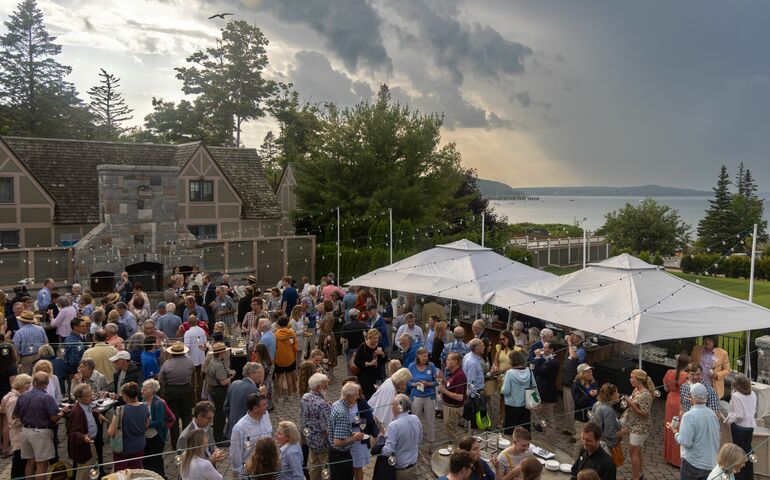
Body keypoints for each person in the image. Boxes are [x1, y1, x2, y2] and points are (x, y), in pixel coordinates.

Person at [13, 372, 68, 477]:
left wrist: (28, 414)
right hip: (40, 434)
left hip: (25, 432)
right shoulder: (47, 397)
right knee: (41, 466)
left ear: (33, 382)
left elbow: (14, 416)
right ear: (47, 383)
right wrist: (63, 412)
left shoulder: (23, 396)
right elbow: (54, 418)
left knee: (30, 463)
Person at [672, 382, 720, 480]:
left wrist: (675, 432)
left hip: (693, 463)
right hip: (710, 463)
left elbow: (686, 442)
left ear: (690, 397)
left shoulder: (688, 416)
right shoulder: (712, 414)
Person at [375, 394, 422, 479]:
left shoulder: (394, 425)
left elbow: (388, 451)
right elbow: (420, 438)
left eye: (392, 404)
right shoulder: (416, 418)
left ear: (399, 407)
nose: (391, 407)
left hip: (401, 471)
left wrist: (381, 440)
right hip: (414, 466)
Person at [158, 341, 195, 447]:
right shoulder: (189, 362)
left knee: (174, 417)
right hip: (186, 389)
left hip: (171, 391)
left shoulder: (167, 364)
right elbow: (193, 373)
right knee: (187, 416)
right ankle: (187, 441)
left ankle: (175, 443)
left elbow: (161, 380)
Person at [620, 369, 654, 480]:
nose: (630, 379)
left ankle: (635, 477)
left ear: (638, 380)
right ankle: (640, 473)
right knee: (637, 451)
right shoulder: (636, 390)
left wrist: (631, 404)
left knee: (633, 452)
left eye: (632, 377)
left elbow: (644, 414)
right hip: (634, 424)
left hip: (641, 427)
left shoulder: (646, 395)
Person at [107, 381, 149, 470]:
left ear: (125, 397)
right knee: (136, 472)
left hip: (123, 448)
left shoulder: (120, 411)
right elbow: (146, 425)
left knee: (121, 474)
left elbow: (111, 432)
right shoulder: (145, 406)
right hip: (139, 446)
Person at [328, 382, 365, 480]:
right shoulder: (343, 413)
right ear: (349, 396)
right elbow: (338, 442)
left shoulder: (336, 404)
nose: (358, 397)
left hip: (333, 453)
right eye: (356, 394)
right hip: (340, 456)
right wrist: (354, 438)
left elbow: (337, 429)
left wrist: (351, 433)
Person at [230, 393, 272, 478]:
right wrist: (238, 474)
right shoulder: (239, 428)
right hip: (250, 471)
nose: (267, 406)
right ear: (255, 408)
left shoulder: (266, 415)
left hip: (268, 466)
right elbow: (235, 453)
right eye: (264, 405)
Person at [724, 373, 756, 480]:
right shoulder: (753, 394)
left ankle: (739, 476)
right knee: (748, 451)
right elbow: (752, 410)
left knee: (738, 454)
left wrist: (729, 420)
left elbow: (739, 415)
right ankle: (748, 476)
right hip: (750, 426)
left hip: (739, 427)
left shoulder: (736, 396)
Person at [301, 373, 331, 480]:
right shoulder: (321, 404)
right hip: (322, 443)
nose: (327, 386)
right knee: (326, 469)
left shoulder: (305, 397)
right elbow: (326, 429)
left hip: (310, 439)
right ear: (318, 387)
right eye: (325, 384)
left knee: (314, 467)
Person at [663, 353, 690, 467]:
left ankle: (669, 457)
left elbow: (665, 388)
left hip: (670, 400)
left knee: (670, 427)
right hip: (682, 403)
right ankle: (678, 459)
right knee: (681, 428)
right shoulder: (687, 376)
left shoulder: (669, 373)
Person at [2, 374, 32, 479]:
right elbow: (13, 421)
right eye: (27, 383)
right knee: (18, 462)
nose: (29, 386)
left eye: (30, 383)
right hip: (17, 435)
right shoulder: (14, 400)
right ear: (20, 384)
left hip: (20, 434)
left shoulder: (14, 396)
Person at [224, 362, 265, 436]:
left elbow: (226, 407)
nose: (261, 375)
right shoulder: (253, 390)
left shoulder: (234, 384)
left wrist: (232, 419)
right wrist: (262, 395)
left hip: (232, 428)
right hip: (247, 430)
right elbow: (260, 410)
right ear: (251, 374)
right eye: (258, 372)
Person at [590, 383, 626, 465]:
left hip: (596, 443)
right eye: (616, 392)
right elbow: (610, 435)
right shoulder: (607, 410)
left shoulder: (597, 404)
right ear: (610, 396)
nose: (619, 394)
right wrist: (623, 432)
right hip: (604, 448)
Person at [206, 342, 233, 442]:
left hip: (214, 389)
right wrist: (231, 376)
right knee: (220, 414)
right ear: (221, 353)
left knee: (219, 413)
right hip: (219, 391)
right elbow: (223, 382)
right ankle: (218, 437)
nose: (226, 353)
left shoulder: (213, 361)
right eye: (224, 351)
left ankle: (218, 435)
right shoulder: (218, 365)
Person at [141, 379, 168, 476]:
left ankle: (161, 477)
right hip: (145, 437)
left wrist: (147, 424)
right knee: (146, 461)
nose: (141, 391)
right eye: (142, 389)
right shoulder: (142, 402)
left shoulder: (158, 403)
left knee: (156, 460)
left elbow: (160, 422)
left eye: (144, 389)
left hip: (156, 437)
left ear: (152, 391)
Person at [501, 350, 532, 434]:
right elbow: (533, 385)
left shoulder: (510, 373)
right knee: (524, 429)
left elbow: (506, 391)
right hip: (526, 404)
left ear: (512, 361)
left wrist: (502, 382)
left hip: (512, 405)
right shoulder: (529, 371)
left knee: (510, 429)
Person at [438, 351, 467, 438]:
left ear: (455, 362)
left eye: (448, 359)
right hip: (448, 407)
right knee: (450, 431)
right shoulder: (454, 373)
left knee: (452, 433)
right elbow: (450, 385)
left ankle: (455, 448)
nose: (446, 361)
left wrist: (444, 391)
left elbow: (459, 397)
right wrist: (443, 380)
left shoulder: (460, 376)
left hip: (453, 409)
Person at [531, 340, 558, 432]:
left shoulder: (553, 362)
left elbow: (537, 370)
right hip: (539, 389)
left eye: (545, 347)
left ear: (551, 350)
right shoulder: (546, 358)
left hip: (547, 392)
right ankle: (537, 423)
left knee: (549, 417)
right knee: (535, 409)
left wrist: (538, 357)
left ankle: (550, 438)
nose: (543, 349)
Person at [355, 328, 387, 399]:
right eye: (374, 338)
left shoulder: (380, 345)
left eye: (377, 338)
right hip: (365, 375)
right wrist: (368, 364)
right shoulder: (363, 347)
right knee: (368, 394)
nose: (376, 340)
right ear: (369, 338)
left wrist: (383, 354)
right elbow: (356, 361)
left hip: (376, 374)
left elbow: (384, 361)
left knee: (377, 393)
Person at [572, 364, 598, 445]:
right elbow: (578, 402)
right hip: (582, 418)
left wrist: (597, 395)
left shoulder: (594, 383)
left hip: (593, 416)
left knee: (592, 441)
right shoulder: (576, 386)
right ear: (581, 374)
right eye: (587, 372)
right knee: (581, 442)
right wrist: (589, 395)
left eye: (590, 371)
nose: (590, 373)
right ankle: (575, 458)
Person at [183, 313, 207, 399]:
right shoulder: (202, 330)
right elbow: (205, 343)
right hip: (201, 356)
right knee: (200, 376)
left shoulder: (188, 333)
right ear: (197, 322)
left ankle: (193, 395)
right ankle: (200, 393)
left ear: (188, 323)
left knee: (192, 377)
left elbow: (186, 347)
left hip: (191, 358)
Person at [274, 316, 299, 401]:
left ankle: (280, 397)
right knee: (289, 377)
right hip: (290, 358)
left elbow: (274, 346)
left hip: (279, 358)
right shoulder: (291, 333)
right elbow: (295, 346)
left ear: (279, 325)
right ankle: (290, 395)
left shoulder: (276, 334)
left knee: (280, 378)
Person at [341, 310, 367, 375]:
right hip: (361, 348)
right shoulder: (363, 324)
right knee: (361, 364)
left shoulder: (346, 326)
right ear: (357, 316)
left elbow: (342, 340)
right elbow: (367, 335)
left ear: (350, 316)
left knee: (350, 365)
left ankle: (351, 380)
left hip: (350, 348)